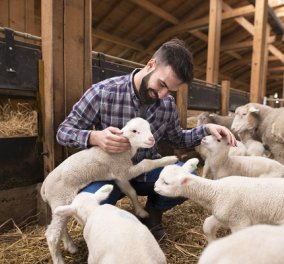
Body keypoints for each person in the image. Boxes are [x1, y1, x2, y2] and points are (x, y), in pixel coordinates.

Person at [56, 38, 237, 241]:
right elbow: (63, 132)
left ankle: (152, 213)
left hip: (146, 172)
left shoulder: (166, 104)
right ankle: (110, 230)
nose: (162, 95)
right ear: (151, 64)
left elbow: (178, 138)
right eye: (161, 85)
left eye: (170, 90)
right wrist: (94, 137)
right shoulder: (104, 92)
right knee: (89, 204)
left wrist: (205, 129)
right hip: (109, 173)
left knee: (187, 178)